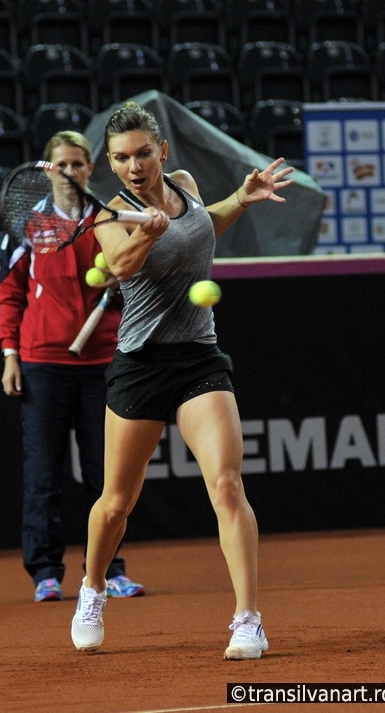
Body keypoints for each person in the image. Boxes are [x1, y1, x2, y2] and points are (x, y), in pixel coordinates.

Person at [70, 103, 294, 658]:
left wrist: (240, 199)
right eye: (122, 158)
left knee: (226, 483)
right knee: (117, 503)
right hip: (140, 365)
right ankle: (92, 589)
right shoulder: (109, 215)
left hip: (198, 357)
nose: (135, 165)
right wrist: (148, 230)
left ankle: (248, 619)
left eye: (144, 153)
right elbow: (120, 267)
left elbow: (203, 226)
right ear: (112, 165)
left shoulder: (186, 185)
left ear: (162, 151)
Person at [0, 130, 145, 602]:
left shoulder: (107, 221)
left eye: (78, 164)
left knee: (108, 475)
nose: (70, 172)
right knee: (43, 473)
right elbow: (10, 294)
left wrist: (126, 285)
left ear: (89, 171)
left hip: (104, 362)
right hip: (43, 364)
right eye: (61, 164)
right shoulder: (28, 228)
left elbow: (138, 273)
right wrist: (10, 354)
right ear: (48, 169)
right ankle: (45, 572)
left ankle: (109, 571)